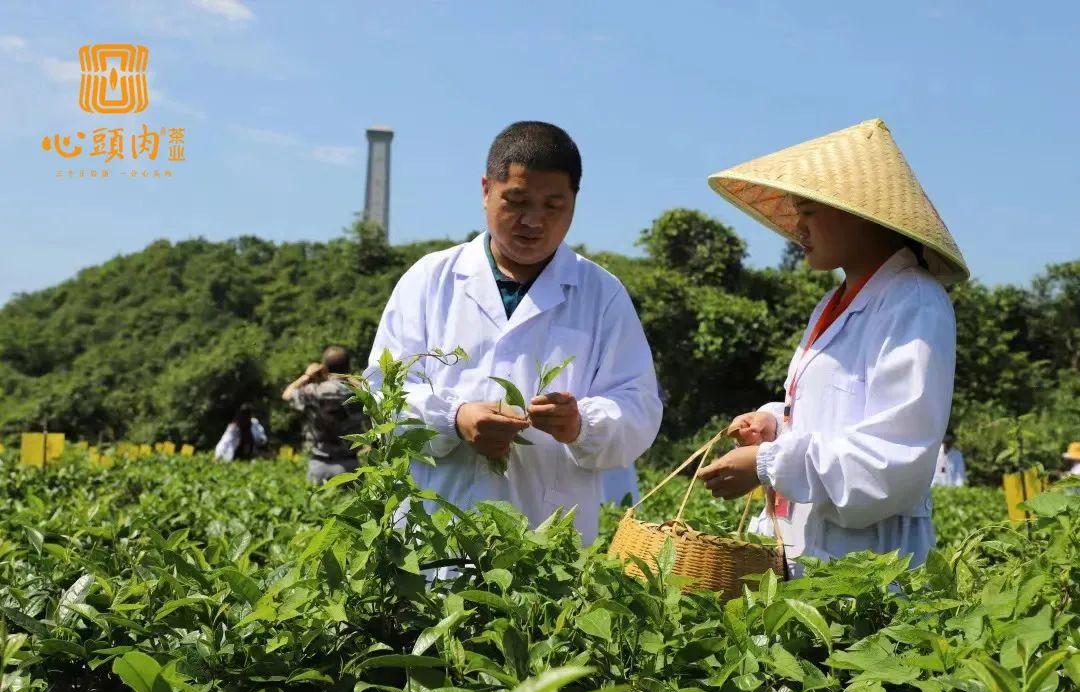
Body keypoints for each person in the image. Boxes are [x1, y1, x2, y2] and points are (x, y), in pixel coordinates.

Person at [367, 121, 662, 544]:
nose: (533, 221)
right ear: (487, 190)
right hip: (431, 539)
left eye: (553, 206)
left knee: (538, 606)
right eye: (517, 201)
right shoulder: (430, 279)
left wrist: (580, 424)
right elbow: (382, 393)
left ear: (575, 202)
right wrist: (453, 419)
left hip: (549, 542)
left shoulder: (601, 294)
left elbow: (639, 410)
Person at [698, 118, 969, 571]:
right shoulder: (836, 301)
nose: (797, 230)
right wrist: (772, 423)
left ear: (857, 212)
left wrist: (767, 463)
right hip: (811, 550)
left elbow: (894, 459)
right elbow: (828, 416)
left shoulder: (914, 303)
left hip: (871, 565)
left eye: (808, 212)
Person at [282, 345, 368, 484]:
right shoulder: (357, 393)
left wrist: (307, 376)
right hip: (349, 468)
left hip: (318, 466)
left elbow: (287, 394)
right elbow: (372, 393)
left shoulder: (313, 391)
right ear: (348, 367)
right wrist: (347, 376)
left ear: (324, 367)